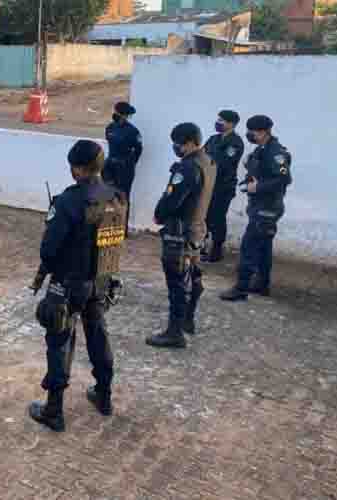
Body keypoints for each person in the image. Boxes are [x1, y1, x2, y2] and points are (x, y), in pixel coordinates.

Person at [28, 140, 127, 432]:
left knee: (59, 342)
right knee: (98, 335)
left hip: (69, 284)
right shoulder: (117, 196)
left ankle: (54, 410)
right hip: (101, 279)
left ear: (77, 168)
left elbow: (48, 251)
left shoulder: (68, 201)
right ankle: (104, 395)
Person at [146, 123, 216, 349]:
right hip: (197, 229)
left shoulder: (187, 168)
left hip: (180, 232)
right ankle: (188, 320)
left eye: (177, 143)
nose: (175, 148)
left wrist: (159, 214)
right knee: (194, 277)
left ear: (188, 143)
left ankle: (175, 332)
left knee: (177, 284)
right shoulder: (209, 162)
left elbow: (172, 199)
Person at [221, 115, 292, 301]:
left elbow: (284, 179)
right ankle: (262, 285)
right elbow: (259, 172)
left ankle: (241, 289)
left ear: (263, 132)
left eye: (252, 132)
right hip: (260, 206)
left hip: (267, 208)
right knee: (263, 248)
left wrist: (257, 187)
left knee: (249, 247)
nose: (249, 135)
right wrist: (249, 180)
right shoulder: (262, 149)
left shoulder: (275, 152)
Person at [202, 110, 245, 263]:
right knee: (203, 217)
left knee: (217, 218)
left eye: (222, 120)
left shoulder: (235, 143)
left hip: (222, 187)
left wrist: (208, 166)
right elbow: (202, 156)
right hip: (207, 185)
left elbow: (224, 165)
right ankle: (201, 246)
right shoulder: (213, 139)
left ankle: (216, 251)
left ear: (231, 124)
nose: (218, 122)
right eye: (218, 119)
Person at [105, 101, 143, 237]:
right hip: (109, 166)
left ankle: (122, 230)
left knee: (122, 197)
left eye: (119, 113)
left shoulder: (133, 131)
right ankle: (107, 227)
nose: (116, 114)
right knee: (108, 196)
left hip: (124, 168)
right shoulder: (109, 127)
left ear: (125, 116)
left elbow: (138, 149)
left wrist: (130, 163)